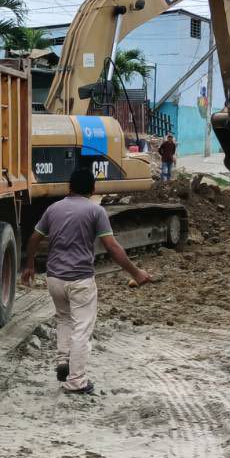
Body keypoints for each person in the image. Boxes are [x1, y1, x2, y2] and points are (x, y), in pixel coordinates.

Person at [20, 164, 151, 396]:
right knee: (82, 329)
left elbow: (33, 238)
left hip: (54, 279)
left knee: (64, 319)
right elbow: (112, 247)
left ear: (69, 187)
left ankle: (63, 360)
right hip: (80, 280)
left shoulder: (53, 209)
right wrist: (136, 272)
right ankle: (76, 381)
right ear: (92, 189)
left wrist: (29, 265)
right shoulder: (95, 211)